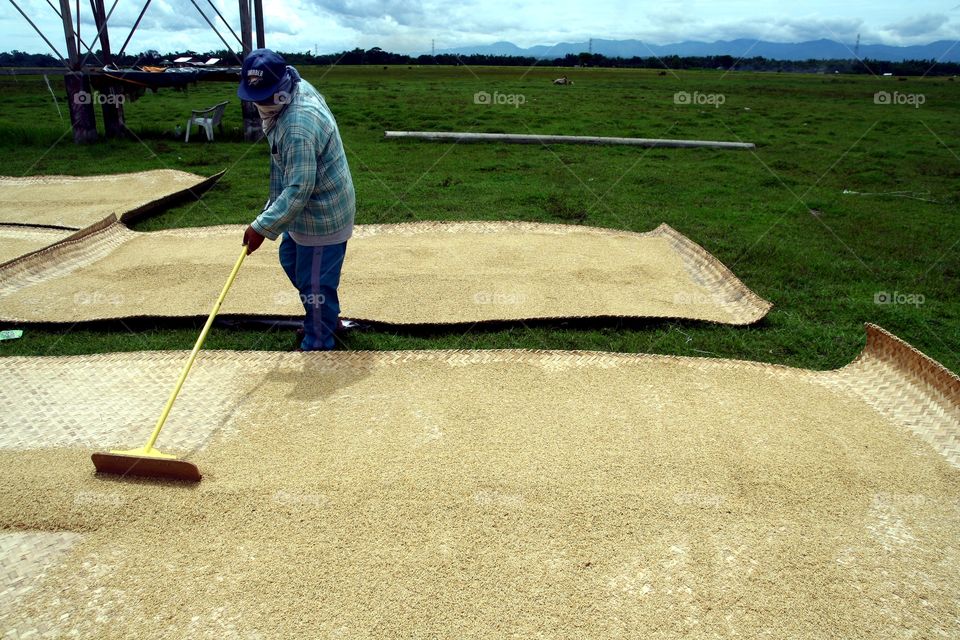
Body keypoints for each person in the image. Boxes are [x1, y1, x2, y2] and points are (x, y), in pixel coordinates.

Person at [238, 48, 356, 351]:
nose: (261, 104)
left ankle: (319, 340)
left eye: (266, 96)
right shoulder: (294, 82)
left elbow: (299, 187)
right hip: (303, 214)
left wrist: (261, 227)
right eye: (256, 96)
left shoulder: (297, 126)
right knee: (290, 259)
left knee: (315, 285)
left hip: (322, 216)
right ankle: (327, 318)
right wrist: (268, 217)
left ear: (281, 89)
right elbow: (288, 175)